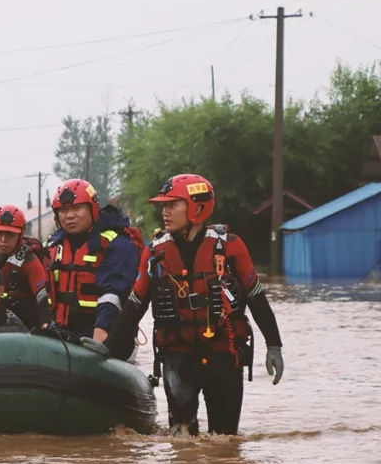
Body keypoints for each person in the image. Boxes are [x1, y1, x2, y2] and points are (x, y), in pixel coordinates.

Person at [96, 174, 285, 437]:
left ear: (197, 208)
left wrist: (273, 345)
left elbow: (257, 300)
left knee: (225, 441)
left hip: (224, 357)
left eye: (173, 204)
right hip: (178, 359)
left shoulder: (230, 248)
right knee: (182, 441)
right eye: (164, 206)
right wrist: (106, 351)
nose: (166, 211)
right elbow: (133, 309)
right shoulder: (153, 254)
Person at [45, 179, 141, 341]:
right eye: (64, 210)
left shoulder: (117, 244)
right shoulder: (53, 246)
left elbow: (113, 293)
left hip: (106, 331)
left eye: (77, 208)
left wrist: (101, 331)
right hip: (61, 331)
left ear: (93, 210)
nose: (69, 216)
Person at [0, 204, 51, 329]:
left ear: (20, 235)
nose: (4, 240)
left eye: (10, 234)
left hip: (21, 325)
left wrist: (46, 323)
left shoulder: (28, 258)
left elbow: (42, 295)